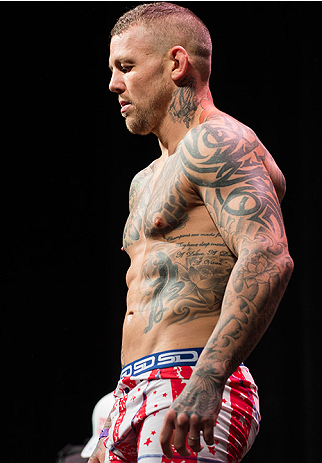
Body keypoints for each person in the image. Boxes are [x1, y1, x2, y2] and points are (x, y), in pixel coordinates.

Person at [88, 3, 293, 462]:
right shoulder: (144, 179)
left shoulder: (218, 141)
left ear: (176, 64)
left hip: (191, 379)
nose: (113, 84)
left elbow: (267, 256)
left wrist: (209, 378)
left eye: (126, 67)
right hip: (131, 390)